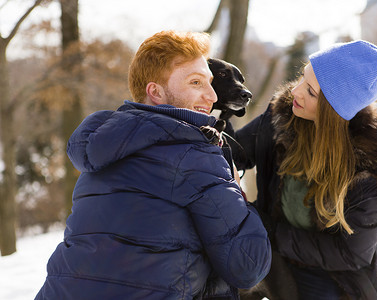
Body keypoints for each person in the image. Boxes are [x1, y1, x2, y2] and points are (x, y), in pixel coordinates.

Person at [35, 30, 271, 300]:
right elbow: (249, 266)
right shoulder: (195, 156)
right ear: (155, 92)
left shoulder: (104, 148)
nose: (212, 96)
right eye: (196, 82)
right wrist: (237, 192)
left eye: (209, 82)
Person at [228, 40, 377, 299]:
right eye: (303, 76)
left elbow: (350, 253)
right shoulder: (284, 113)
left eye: (311, 92)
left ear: (335, 112)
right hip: (273, 252)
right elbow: (235, 151)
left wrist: (267, 228)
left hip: (334, 273)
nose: (296, 92)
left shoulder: (373, 160)